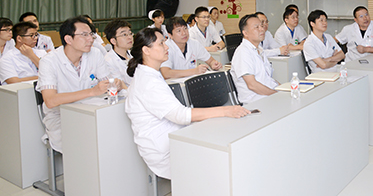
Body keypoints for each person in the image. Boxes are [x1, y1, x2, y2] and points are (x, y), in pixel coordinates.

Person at [125, 28, 249, 179]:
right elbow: (180, 115)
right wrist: (226, 111)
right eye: (161, 43)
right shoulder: (147, 81)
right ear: (146, 50)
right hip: (164, 148)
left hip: (173, 136)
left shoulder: (150, 74)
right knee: (220, 159)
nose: (166, 47)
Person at [36, 16, 124, 152]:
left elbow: (106, 82)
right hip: (62, 116)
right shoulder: (49, 62)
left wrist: (114, 84)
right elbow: (50, 101)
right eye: (84, 35)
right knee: (93, 141)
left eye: (91, 34)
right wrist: (92, 91)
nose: (91, 39)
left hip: (91, 109)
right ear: (68, 39)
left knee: (118, 131)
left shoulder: (95, 54)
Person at [230, 14, 279, 104]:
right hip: (256, 101)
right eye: (256, 27)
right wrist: (277, 95)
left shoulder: (259, 49)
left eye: (261, 26)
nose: (262, 29)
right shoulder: (243, 52)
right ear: (245, 33)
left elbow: (267, 78)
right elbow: (252, 85)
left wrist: (283, 89)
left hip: (268, 96)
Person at [104, 19, 134, 87]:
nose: (130, 37)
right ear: (113, 41)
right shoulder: (108, 61)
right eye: (124, 35)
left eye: (130, 33)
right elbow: (119, 86)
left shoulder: (134, 55)